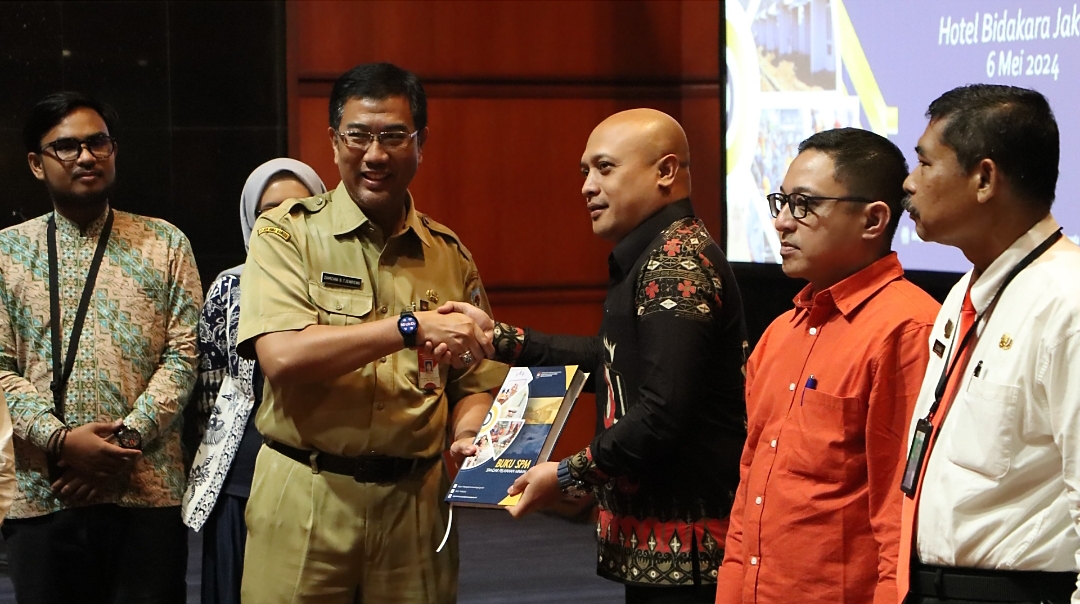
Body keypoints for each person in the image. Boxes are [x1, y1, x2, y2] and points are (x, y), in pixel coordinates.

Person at [446, 108, 748, 604]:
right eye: (584, 171)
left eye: (604, 168)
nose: (587, 186)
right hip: (666, 543)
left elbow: (662, 412)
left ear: (666, 172)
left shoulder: (673, 265)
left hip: (690, 549)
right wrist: (499, 338)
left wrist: (566, 474)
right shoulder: (656, 253)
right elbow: (613, 360)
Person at [236, 62, 505, 604]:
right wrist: (408, 327)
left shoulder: (449, 255)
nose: (375, 155)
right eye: (358, 136)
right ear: (334, 142)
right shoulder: (285, 233)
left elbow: (477, 381)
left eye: (393, 136)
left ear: (420, 143)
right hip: (305, 494)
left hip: (416, 505)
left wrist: (468, 433)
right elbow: (283, 357)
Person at [714, 128, 939, 604]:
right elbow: (748, 495)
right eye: (781, 202)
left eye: (804, 205)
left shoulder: (908, 329)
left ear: (873, 219)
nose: (781, 222)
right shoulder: (779, 334)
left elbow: (899, 517)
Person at [0, 92, 202, 603]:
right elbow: (0, 368)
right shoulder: (5, 252)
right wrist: (65, 444)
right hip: (44, 493)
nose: (86, 156)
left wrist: (121, 445)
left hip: (146, 489)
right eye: (65, 147)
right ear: (35, 164)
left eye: (97, 143)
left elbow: (185, 355)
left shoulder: (165, 243)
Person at [898, 85, 1080, 604]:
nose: (908, 183)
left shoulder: (1069, 301)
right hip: (931, 586)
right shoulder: (964, 293)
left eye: (925, 162)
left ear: (983, 178)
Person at [182, 158, 326, 604]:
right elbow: (207, 389)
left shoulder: (345, 283)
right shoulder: (229, 288)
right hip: (242, 476)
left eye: (299, 209)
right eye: (269, 212)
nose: (283, 221)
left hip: (329, 474)